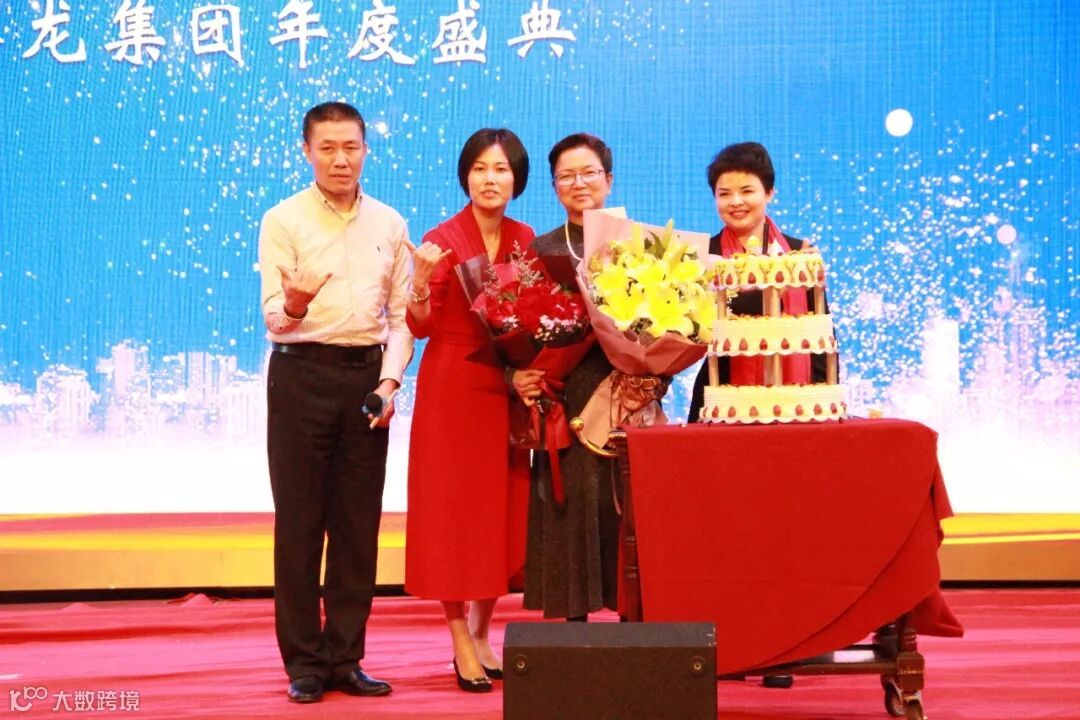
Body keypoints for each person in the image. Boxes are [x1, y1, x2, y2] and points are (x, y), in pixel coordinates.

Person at [258, 101, 413, 704]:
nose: (340, 159)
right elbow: (274, 317)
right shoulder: (283, 220)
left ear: (366, 149)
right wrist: (296, 303)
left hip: (365, 382)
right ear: (307, 151)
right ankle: (304, 663)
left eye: (350, 147)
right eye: (327, 148)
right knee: (300, 525)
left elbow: (400, 319)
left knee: (357, 527)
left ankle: (346, 657)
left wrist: (389, 384)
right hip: (300, 377)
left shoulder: (390, 223)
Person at [686, 141, 830, 690]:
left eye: (747, 190)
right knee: (722, 525)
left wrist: (822, 401)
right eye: (725, 193)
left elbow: (819, 331)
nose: (736, 201)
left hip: (792, 406)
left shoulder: (799, 253)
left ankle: (782, 646)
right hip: (720, 404)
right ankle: (728, 641)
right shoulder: (702, 256)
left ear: (770, 192)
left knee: (784, 527)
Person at [404, 128, 536, 693]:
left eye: (501, 169)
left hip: (505, 387)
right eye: (480, 168)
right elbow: (421, 326)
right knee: (452, 513)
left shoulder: (525, 238)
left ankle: (484, 633)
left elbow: (532, 315)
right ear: (465, 176)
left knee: (497, 511)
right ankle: (460, 639)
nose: (490, 178)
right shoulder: (441, 238)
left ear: (516, 179)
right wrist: (417, 283)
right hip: (453, 387)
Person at [522, 133, 620, 621]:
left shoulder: (638, 244)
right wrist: (522, 374)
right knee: (571, 505)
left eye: (588, 173)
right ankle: (572, 626)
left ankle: (635, 623)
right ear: (555, 186)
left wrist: (655, 378)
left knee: (624, 507)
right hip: (564, 397)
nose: (578, 184)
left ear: (609, 179)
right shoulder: (540, 249)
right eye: (566, 176)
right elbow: (517, 327)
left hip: (625, 395)